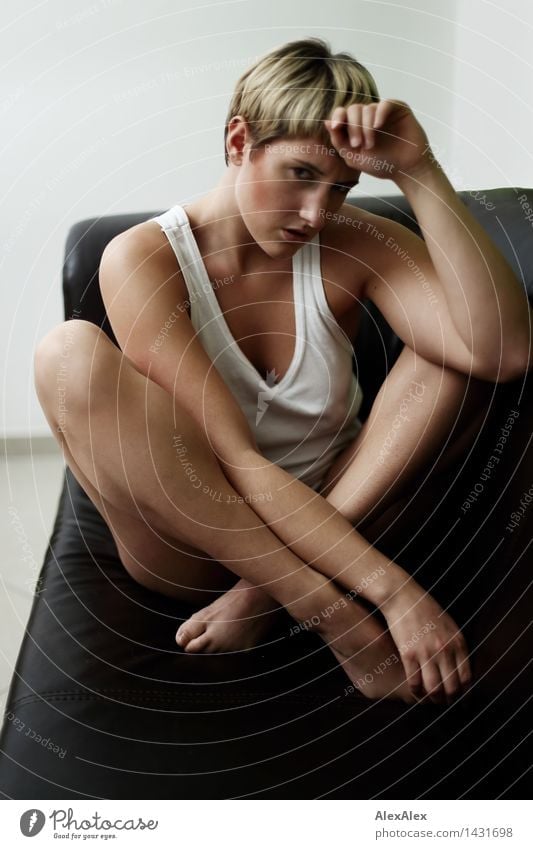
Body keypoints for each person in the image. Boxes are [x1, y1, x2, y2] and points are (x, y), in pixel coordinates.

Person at [34, 38, 531, 707]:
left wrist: (419, 171)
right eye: (300, 174)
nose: (315, 214)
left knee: (452, 359)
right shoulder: (144, 259)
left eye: (340, 187)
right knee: (66, 354)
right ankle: (312, 604)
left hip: (345, 512)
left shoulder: (350, 239)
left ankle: (265, 597)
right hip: (197, 548)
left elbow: (501, 350)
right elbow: (235, 460)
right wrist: (368, 606)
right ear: (238, 139)